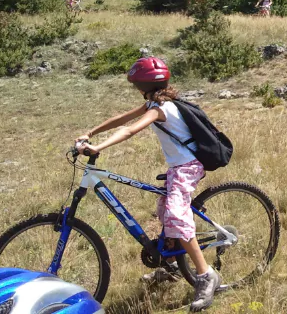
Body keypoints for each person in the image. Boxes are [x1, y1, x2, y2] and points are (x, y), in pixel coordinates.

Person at [75, 57, 221, 312]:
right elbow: (122, 119)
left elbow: (130, 130)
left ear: (144, 84)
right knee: (164, 211)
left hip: (187, 168)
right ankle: (173, 265)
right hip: (177, 167)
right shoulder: (155, 103)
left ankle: (206, 275)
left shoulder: (160, 108)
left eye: (136, 85)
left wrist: (97, 147)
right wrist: (91, 132)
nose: (135, 89)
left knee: (176, 215)